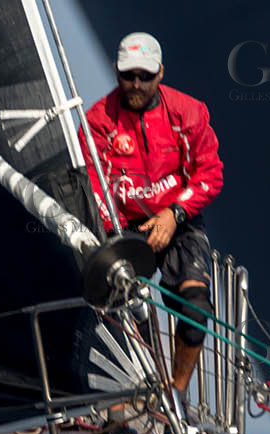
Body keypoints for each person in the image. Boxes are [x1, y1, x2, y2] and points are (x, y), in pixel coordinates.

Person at [81, 32, 223, 396]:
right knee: (117, 316)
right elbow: (93, 183)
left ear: (160, 73)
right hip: (124, 225)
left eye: (145, 75)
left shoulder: (189, 112)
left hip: (178, 218)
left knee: (194, 310)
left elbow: (210, 173)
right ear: (116, 73)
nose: (136, 84)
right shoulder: (98, 120)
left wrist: (173, 213)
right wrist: (116, 236)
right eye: (128, 75)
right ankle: (120, 417)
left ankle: (174, 393)